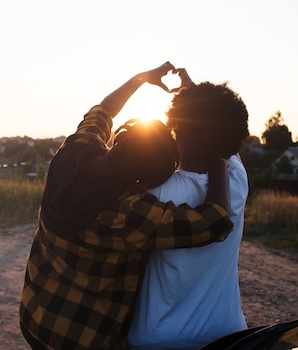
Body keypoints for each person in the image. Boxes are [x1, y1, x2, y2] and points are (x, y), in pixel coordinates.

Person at [19, 62, 235, 350]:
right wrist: (220, 161)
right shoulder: (128, 213)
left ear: (118, 142)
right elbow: (215, 222)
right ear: (147, 176)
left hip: (34, 314)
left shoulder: (72, 154)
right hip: (79, 337)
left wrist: (141, 79)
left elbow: (102, 111)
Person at [128, 69, 250, 348]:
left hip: (161, 339)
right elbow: (223, 132)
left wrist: (186, 98)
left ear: (176, 130)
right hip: (230, 336)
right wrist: (191, 94)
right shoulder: (236, 183)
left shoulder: (154, 193)